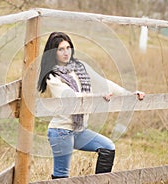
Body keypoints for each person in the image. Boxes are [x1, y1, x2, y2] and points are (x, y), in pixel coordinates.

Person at [37, 32, 145, 179]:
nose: (66, 52)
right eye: (61, 49)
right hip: (61, 131)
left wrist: (129, 94)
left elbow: (104, 83)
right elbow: (70, 97)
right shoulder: (52, 76)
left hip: (79, 129)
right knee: (61, 176)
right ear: (53, 52)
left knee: (107, 147)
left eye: (68, 47)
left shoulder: (79, 68)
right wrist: (97, 97)